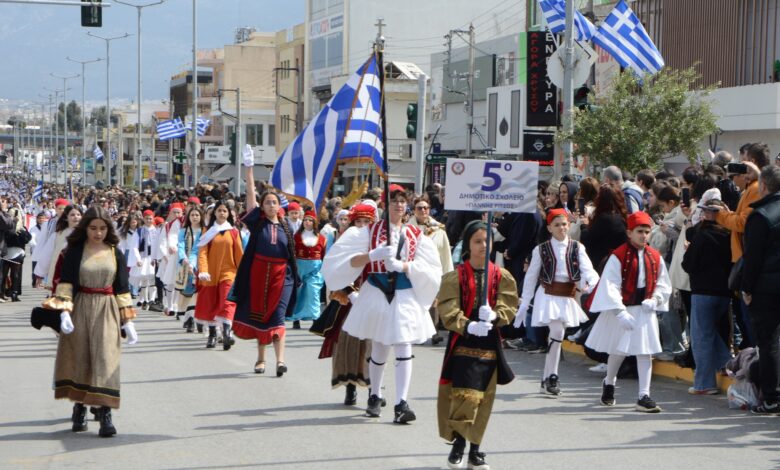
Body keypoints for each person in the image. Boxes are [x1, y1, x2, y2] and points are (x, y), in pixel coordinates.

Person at [321, 186, 443, 423]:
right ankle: (375, 396)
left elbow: (431, 269)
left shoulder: (416, 235)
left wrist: (405, 266)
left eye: (402, 201)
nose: (399, 205)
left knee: (404, 346)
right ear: (386, 205)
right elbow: (346, 260)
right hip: (376, 291)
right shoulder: (368, 232)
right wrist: (372, 256)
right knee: (379, 346)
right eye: (394, 201)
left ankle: (401, 403)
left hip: (404, 293)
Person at [41, 206, 138, 437]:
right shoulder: (74, 251)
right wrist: (64, 311)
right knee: (81, 357)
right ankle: (79, 408)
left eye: (102, 228)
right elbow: (65, 283)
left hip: (107, 308)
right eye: (93, 228)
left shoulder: (115, 253)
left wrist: (128, 321)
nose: (98, 233)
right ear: (85, 228)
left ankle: (105, 412)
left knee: (106, 358)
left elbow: (122, 288)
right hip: (81, 307)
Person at [436, 220, 518, 470]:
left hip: (489, 343)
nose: (484, 245)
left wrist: (495, 315)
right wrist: (468, 325)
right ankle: (459, 444)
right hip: (464, 340)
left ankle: (475, 450)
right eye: (478, 241)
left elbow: (508, 305)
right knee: (465, 394)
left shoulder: (501, 276)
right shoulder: (456, 276)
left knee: (484, 397)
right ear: (468, 245)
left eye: (487, 240)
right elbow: (448, 308)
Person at [585, 211, 672, 413]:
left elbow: (663, 283)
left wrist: (656, 299)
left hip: (645, 309)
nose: (643, 235)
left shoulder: (655, 256)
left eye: (647, 232)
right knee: (618, 350)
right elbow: (610, 285)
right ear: (629, 232)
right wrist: (619, 311)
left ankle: (644, 395)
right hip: (623, 309)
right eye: (639, 231)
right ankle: (609, 382)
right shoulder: (618, 256)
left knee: (645, 352)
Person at [513, 208, 599, 395]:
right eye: (557, 225)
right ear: (549, 228)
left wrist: (592, 282)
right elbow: (531, 277)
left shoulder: (577, 247)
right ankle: (553, 376)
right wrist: (525, 302)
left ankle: (546, 379)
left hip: (567, 296)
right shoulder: (541, 249)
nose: (562, 228)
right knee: (557, 332)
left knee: (556, 336)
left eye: (564, 224)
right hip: (548, 295)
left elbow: (588, 269)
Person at [231, 148, 298, 376]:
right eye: (267, 202)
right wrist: (249, 170)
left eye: (274, 202)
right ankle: (261, 359)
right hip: (258, 273)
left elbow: (292, 255)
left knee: (278, 316)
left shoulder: (287, 226)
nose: (271, 205)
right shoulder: (258, 223)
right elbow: (250, 196)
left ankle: (280, 361)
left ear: (280, 206)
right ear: (262, 206)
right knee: (261, 316)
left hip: (282, 276)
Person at [319, 203, 376, 406]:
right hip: (348, 302)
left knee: (373, 346)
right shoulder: (343, 243)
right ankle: (350, 387)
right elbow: (335, 272)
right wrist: (351, 293)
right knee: (348, 344)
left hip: (374, 300)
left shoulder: (378, 244)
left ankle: (374, 391)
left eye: (366, 222)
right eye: (358, 222)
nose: (362, 226)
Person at [681, 199, 733, 395]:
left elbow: (688, 264)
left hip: (703, 292)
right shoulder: (729, 235)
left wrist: (688, 250)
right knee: (708, 332)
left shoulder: (702, 236)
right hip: (724, 292)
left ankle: (704, 383)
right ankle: (729, 365)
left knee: (701, 336)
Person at [741, 165, 780, 415]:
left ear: (763, 186)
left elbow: (752, 258)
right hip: (769, 284)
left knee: (768, 343)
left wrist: (746, 288)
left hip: (766, 289)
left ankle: (771, 398)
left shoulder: (761, 215)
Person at [194, 200, 244, 349]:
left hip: (229, 272)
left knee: (227, 300)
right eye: (219, 210)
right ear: (214, 213)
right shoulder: (207, 231)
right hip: (210, 274)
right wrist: (203, 270)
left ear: (229, 214)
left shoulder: (233, 232)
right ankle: (212, 334)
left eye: (224, 211)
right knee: (211, 302)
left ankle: (227, 333)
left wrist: (244, 273)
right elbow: (202, 253)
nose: (222, 213)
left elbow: (239, 255)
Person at [409, 195, 454, 345]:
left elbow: (445, 253)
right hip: (414, 271)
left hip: (433, 271)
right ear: (414, 210)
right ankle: (414, 332)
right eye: (419, 208)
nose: (423, 210)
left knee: (434, 302)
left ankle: (434, 332)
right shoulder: (407, 229)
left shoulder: (438, 229)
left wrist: (447, 275)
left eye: (426, 208)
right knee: (416, 302)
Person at [288, 210, 327, 329]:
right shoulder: (296, 237)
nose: (307, 222)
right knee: (299, 292)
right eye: (305, 220)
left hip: (315, 268)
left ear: (314, 223)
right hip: (300, 267)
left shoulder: (322, 238)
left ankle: (315, 318)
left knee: (313, 291)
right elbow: (292, 252)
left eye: (310, 220)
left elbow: (324, 255)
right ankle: (296, 319)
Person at [35, 205, 83, 289]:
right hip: (61, 275)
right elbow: (47, 255)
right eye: (72, 215)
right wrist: (40, 274)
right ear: (66, 217)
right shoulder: (57, 235)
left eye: (78, 215)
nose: (76, 217)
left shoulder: (87, 234)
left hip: (82, 275)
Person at [176, 207, 204, 333]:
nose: (195, 217)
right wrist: (183, 258)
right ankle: (187, 316)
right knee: (186, 292)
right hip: (186, 264)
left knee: (197, 292)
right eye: (192, 215)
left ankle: (192, 318)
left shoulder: (204, 231)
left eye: (197, 215)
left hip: (201, 264)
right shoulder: (183, 231)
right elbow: (180, 246)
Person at [159, 202, 184, 316]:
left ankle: (175, 304)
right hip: (168, 257)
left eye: (179, 212)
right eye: (174, 212)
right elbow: (162, 241)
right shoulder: (167, 226)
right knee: (169, 282)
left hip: (180, 256)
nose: (176, 215)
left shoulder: (184, 224)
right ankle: (169, 305)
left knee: (178, 282)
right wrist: (165, 255)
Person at [130, 210, 157, 309]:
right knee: (144, 278)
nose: (149, 220)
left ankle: (152, 299)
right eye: (147, 218)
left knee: (153, 278)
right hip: (144, 256)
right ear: (143, 219)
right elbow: (134, 246)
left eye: (150, 218)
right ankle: (145, 300)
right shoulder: (139, 231)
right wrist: (138, 259)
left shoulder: (157, 230)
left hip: (154, 257)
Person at [28, 212, 46, 287]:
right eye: (40, 218)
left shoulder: (47, 228)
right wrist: (37, 246)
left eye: (43, 218)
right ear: (37, 219)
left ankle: (42, 282)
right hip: (35, 249)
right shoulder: (33, 229)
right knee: (35, 266)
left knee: (43, 266)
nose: (41, 220)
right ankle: (34, 281)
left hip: (44, 250)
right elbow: (31, 239)